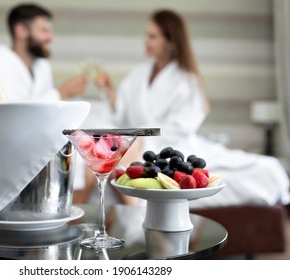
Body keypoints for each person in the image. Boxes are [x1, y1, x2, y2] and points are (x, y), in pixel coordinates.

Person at [93, 9, 290, 209]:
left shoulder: (186, 79)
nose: (146, 40)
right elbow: (123, 114)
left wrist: (145, 139)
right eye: (147, 35)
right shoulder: (139, 75)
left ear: (170, 42)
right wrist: (110, 93)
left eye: (152, 36)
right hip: (141, 144)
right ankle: (133, 210)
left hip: (171, 143)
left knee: (266, 168)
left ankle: (135, 212)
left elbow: (183, 126)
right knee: (122, 149)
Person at [0, 3, 86, 102]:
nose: (51, 38)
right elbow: (9, 116)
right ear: (21, 31)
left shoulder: (43, 66)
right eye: (44, 30)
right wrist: (60, 93)